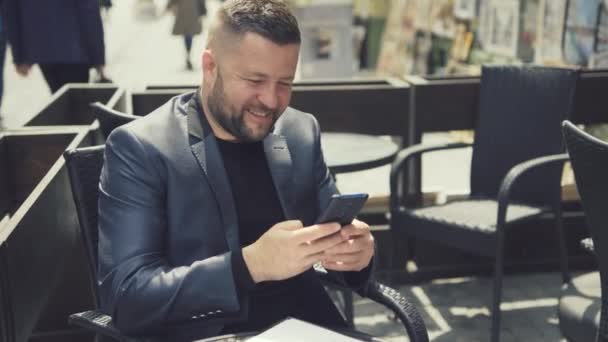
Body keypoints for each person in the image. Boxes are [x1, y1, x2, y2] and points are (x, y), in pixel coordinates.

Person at [98, 0, 375, 340]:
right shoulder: (142, 148)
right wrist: (249, 266)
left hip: (307, 325)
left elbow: (333, 240)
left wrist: (355, 256)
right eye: (255, 80)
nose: (272, 101)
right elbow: (128, 298)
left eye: (284, 83)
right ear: (209, 66)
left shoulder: (300, 131)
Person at [2, 0, 107, 93]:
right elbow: (88, 10)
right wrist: (98, 58)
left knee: (59, 100)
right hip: (75, 48)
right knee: (77, 104)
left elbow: (10, 11)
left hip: (43, 48)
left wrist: (19, 56)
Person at [167, 0, 206, 70]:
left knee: (187, 35)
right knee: (189, 35)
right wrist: (203, 11)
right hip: (193, 14)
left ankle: (188, 54)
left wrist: (169, 7)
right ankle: (188, 55)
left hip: (184, 13)